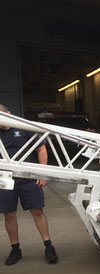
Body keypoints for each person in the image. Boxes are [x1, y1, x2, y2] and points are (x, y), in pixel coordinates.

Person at [0, 104, 58, 265]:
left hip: (28, 177)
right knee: (9, 214)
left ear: (9, 114)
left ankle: (48, 246)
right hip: (5, 178)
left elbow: (41, 149)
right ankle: (15, 249)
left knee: (37, 212)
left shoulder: (24, 127)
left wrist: (42, 172)